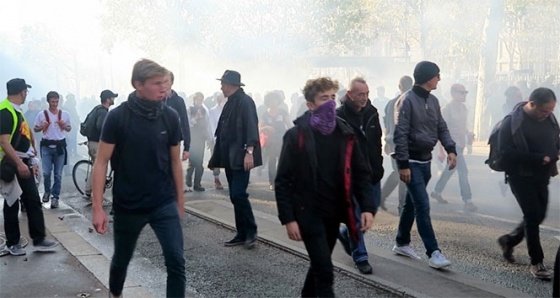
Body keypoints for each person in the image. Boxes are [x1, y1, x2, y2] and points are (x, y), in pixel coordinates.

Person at [91, 59, 186, 298]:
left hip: (163, 202)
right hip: (128, 204)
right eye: (157, 83)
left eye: (166, 82)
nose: (164, 88)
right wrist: (97, 207)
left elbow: (175, 161)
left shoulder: (170, 117)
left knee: (176, 259)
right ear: (138, 84)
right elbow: (101, 162)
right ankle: (115, 293)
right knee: (122, 259)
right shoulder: (118, 118)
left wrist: (180, 203)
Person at [275, 77, 376, 296]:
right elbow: (282, 180)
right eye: (323, 98)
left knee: (319, 266)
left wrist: (367, 207)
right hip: (308, 213)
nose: (330, 103)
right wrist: (289, 219)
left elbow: (361, 174)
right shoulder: (296, 136)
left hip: (333, 213)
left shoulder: (345, 133)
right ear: (310, 105)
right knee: (325, 272)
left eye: (332, 97)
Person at [392, 61, 456, 269]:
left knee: (411, 204)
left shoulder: (434, 101)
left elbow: (441, 127)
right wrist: (402, 164)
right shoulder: (407, 101)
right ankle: (434, 252)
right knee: (422, 205)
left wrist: (451, 149)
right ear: (429, 78)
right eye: (438, 75)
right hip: (410, 162)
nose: (440, 78)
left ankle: (401, 242)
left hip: (425, 162)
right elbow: (400, 134)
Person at [496, 87, 558, 280]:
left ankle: (509, 240)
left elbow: (554, 141)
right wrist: (538, 158)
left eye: (550, 111)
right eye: (543, 111)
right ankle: (536, 262)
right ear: (531, 104)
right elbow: (504, 152)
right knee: (532, 216)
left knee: (539, 214)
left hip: (542, 175)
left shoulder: (550, 119)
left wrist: (553, 157)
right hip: (520, 176)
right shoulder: (512, 122)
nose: (547, 115)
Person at [1, 78, 58, 256]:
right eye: (26, 91)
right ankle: (12, 243)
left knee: (33, 200)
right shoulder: (5, 111)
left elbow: (25, 136)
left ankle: (39, 239)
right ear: (22, 92)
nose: (26, 94)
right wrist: (19, 163)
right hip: (11, 164)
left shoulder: (16, 111)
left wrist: (31, 160)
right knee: (12, 202)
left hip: (23, 162)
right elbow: (3, 141)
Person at [208, 70, 262, 249]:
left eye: (223, 83)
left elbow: (251, 127)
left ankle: (251, 231)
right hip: (231, 156)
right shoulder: (231, 101)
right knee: (234, 195)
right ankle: (242, 233)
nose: (221, 86)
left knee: (238, 194)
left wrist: (250, 151)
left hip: (241, 155)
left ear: (231, 85)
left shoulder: (245, 102)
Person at [335, 77, 383, 274]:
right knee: (356, 217)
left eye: (367, 94)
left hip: (372, 173)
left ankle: (345, 233)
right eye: (360, 94)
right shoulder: (338, 117)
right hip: (351, 176)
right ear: (349, 95)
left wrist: (378, 165)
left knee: (369, 213)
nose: (364, 98)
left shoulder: (372, 113)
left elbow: (376, 142)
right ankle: (360, 256)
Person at [430, 84, 477, 212]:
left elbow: (462, 126)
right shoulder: (447, 109)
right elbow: (440, 130)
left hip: (460, 144)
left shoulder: (464, 108)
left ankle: (436, 191)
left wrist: (468, 134)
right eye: (462, 92)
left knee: (449, 170)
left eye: (465, 92)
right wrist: (441, 150)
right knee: (463, 171)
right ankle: (468, 200)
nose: (464, 95)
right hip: (451, 145)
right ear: (453, 94)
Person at [380, 76, 412, 213]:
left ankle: (382, 197)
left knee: (399, 172)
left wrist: (386, 141)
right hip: (403, 143)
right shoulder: (410, 102)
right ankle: (401, 206)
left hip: (393, 142)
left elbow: (387, 124)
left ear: (399, 86)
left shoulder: (391, 103)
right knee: (403, 173)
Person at [34, 91, 71, 209]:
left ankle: (55, 197)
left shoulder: (64, 114)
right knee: (46, 173)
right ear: (48, 102)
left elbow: (69, 128)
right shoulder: (42, 114)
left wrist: (64, 126)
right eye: (52, 102)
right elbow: (35, 129)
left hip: (59, 147)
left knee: (58, 175)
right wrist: (42, 127)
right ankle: (46, 191)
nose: (54, 104)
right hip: (46, 147)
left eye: (56, 101)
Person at [83, 89, 117, 201]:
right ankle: (96, 195)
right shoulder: (103, 112)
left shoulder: (96, 109)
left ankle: (88, 191)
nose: (113, 100)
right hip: (97, 143)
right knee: (100, 168)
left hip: (91, 142)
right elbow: (101, 127)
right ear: (108, 99)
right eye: (112, 98)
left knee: (95, 166)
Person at [259, 91, 291, 190]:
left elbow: (290, 126)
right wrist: (266, 128)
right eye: (271, 100)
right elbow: (259, 129)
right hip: (270, 142)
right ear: (267, 102)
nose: (274, 102)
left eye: (275, 99)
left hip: (282, 141)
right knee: (272, 162)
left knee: (283, 162)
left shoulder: (283, 112)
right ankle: (272, 182)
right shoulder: (265, 115)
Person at [186, 92, 212, 192]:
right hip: (192, 139)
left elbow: (207, 125)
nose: (199, 102)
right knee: (192, 162)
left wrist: (209, 138)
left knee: (199, 163)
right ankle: (188, 178)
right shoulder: (190, 110)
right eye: (198, 100)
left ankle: (197, 183)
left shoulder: (205, 110)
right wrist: (196, 118)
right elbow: (188, 124)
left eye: (201, 100)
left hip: (201, 139)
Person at [164, 72, 191, 165]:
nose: (164, 83)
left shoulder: (178, 101)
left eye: (166, 81)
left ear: (171, 82)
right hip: (158, 139)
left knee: (173, 165)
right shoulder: (156, 99)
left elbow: (184, 122)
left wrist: (187, 147)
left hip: (174, 140)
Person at [208, 93, 226, 190]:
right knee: (216, 160)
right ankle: (217, 178)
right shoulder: (213, 111)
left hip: (227, 139)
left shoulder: (228, 110)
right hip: (216, 139)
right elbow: (212, 125)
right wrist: (215, 138)